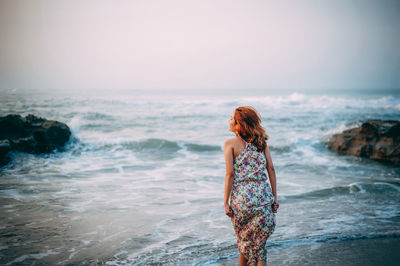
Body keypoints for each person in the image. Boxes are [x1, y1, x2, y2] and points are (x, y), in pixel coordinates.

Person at [223, 106, 279, 266]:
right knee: (259, 248)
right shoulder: (261, 143)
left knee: (243, 243)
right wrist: (275, 198)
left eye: (231, 118)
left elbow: (230, 174)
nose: (229, 120)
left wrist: (225, 202)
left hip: (242, 201)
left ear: (238, 124)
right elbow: (271, 169)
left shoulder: (230, 143)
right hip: (263, 198)